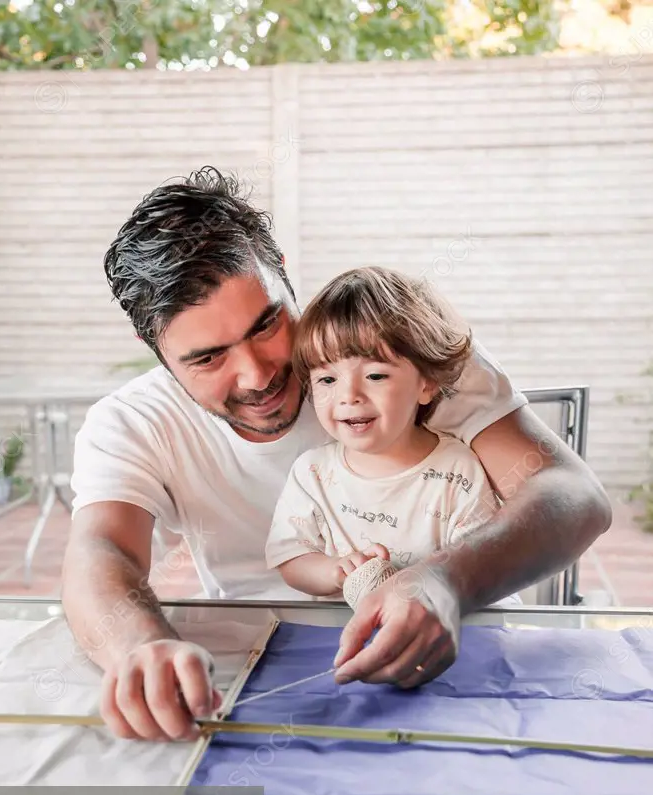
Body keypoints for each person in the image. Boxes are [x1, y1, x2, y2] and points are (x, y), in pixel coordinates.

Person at [62, 167, 611, 741]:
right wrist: (139, 648)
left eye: (267, 323)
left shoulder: (400, 354)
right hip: (262, 680)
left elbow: (572, 496)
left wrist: (445, 582)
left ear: (283, 275)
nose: (256, 374)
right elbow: (100, 552)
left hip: (465, 649)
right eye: (207, 359)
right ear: (154, 349)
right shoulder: (132, 422)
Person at [266, 267, 512, 629]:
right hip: (350, 637)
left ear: (426, 384)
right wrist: (334, 570)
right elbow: (291, 558)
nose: (349, 396)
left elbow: (480, 564)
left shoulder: (458, 470)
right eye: (327, 379)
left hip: (443, 634)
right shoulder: (312, 472)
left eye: (376, 375)